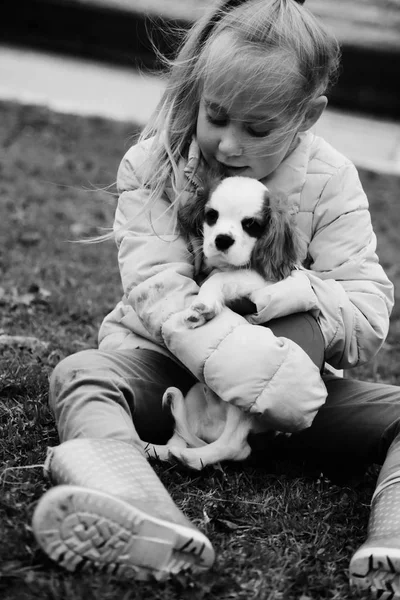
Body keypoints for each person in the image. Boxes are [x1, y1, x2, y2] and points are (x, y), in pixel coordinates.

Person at [31, 0, 398, 595]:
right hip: (167, 369)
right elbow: (158, 289)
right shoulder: (156, 163)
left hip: (291, 393)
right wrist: (241, 362)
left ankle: (394, 541)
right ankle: (134, 504)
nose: (227, 144)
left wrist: (287, 326)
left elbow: (367, 310)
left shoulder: (332, 181)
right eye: (216, 116)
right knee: (82, 374)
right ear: (198, 93)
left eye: (257, 129)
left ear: (308, 116)